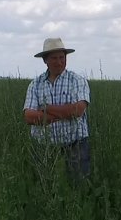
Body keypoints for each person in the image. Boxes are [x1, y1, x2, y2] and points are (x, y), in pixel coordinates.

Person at [23, 37, 91, 183]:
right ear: (45, 61)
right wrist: (65, 113)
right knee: (46, 187)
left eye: (62, 57)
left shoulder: (77, 81)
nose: (59, 62)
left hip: (75, 145)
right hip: (44, 147)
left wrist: (46, 109)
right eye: (54, 58)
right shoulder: (35, 85)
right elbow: (29, 117)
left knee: (77, 186)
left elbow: (78, 110)